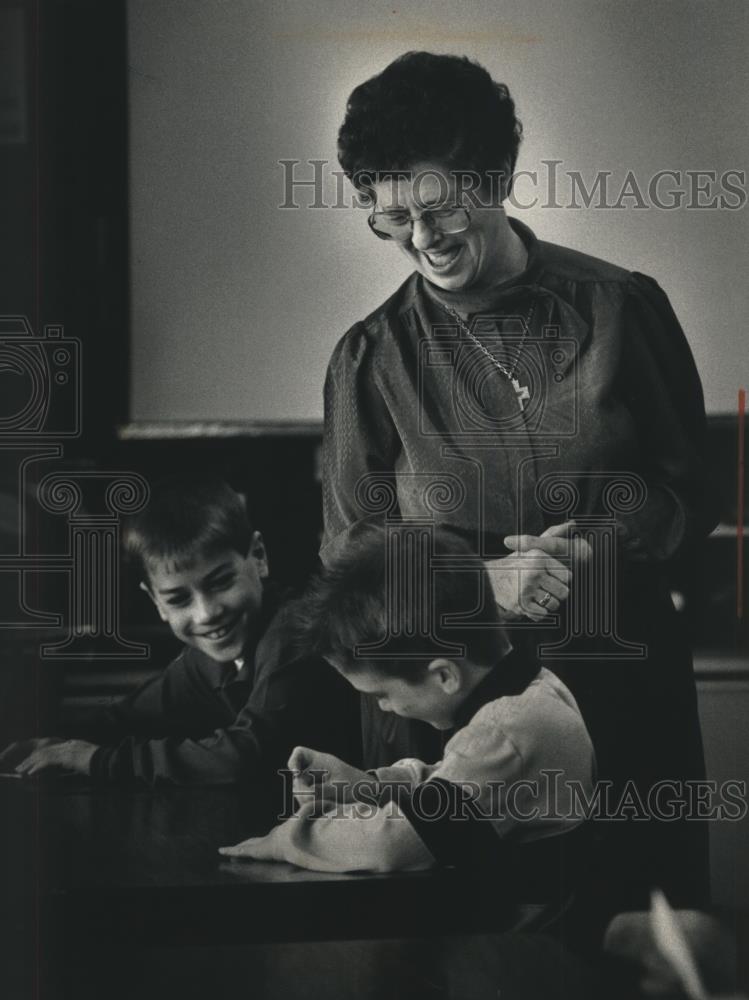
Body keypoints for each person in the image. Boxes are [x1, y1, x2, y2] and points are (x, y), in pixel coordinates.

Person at [321, 52, 716, 908]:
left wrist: (601, 544)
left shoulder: (621, 307)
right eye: (389, 221)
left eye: (437, 208)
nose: (419, 242)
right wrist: (471, 585)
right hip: (446, 703)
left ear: (494, 178)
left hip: (619, 682)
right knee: (460, 946)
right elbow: (352, 553)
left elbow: (692, 492)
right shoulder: (371, 355)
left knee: (631, 936)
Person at [220, 526, 594, 897]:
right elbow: (458, 787)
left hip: (520, 940)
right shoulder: (532, 691)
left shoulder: (505, 731)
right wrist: (367, 788)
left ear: (444, 674)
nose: (383, 707)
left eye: (381, 693)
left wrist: (288, 839)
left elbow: (393, 844)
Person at [0, 476, 359, 784]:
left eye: (221, 582)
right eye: (177, 599)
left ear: (259, 557)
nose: (206, 614)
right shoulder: (206, 660)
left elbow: (245, 754)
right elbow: (128, 717)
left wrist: (95, 760)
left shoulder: (294, 630)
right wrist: (51, 739)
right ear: (155, 601)